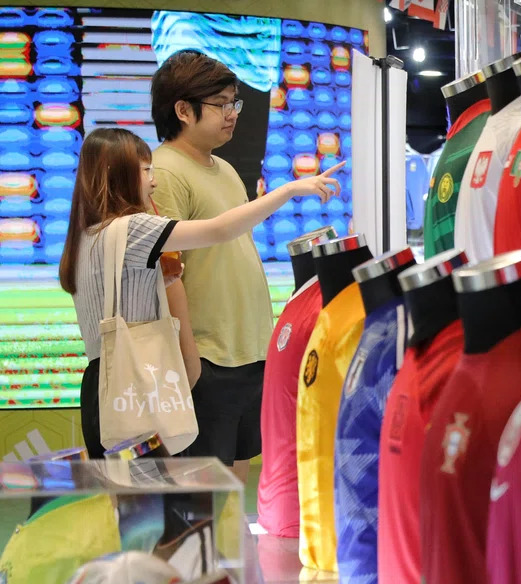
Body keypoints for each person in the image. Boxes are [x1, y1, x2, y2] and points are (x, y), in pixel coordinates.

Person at [59, 127, 343, 460]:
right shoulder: (132, 229)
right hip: (136, 385)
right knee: (161, 504)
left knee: (125, 505)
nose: (154, 181)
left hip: (100, 388)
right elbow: (220, 229)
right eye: (146, 169)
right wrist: (292, 189)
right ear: (117, 173)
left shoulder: (85, 237)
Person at [149, 49, 275, 480]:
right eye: (221, 104)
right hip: (207, 356)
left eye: (234, 103)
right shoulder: (164, 171)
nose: (232, 113)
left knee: (232, 496)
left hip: (248, 351)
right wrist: (191, 362)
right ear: (183, 110)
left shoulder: (223, 168)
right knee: (199, 503)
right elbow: (167, 274)